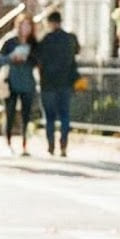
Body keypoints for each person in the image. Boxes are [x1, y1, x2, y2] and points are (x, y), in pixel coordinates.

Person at [31, 9, 82, 156]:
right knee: (65, 115)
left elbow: (36, 57)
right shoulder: (70, 38)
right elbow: (77, 52)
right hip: (66, 82)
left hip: (48, 83)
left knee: (50, 117)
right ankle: (64, 144)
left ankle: (51, 145)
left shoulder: (45, 40)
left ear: (49, 23)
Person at [0, 14, 38, 155]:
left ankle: (25, 145)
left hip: (27, 81)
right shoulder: (10, 41)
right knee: (10, 113)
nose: (26, 28)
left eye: (28, 25)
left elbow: (39, 61)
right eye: (23, 25)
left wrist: (30, 58)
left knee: (26, 115)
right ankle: (8, 142)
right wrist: (11, 58)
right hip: (11, 80)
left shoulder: (34, 43)